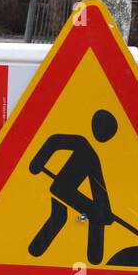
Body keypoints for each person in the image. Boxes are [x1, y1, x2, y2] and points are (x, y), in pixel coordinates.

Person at [27, 109, 118, 265]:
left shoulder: (93, 157)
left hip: (61, 190)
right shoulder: (83, 145)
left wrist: (107, 211)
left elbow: (98, 187)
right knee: (95, 214)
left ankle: (33, 252)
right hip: (63, 189)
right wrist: (37, 162)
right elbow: (54, 141)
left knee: (60, 217)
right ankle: (94, 256)